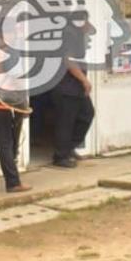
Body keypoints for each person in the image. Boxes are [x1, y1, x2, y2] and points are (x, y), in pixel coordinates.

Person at [51, 22, 95, 168]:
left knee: (87, 114)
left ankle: (69, 148)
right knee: (66, 122)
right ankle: (60, 156)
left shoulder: (79, 38)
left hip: (77, 89)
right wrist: (84, 80)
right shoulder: (70, 37)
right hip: (66, 88)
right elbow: (69, 62)